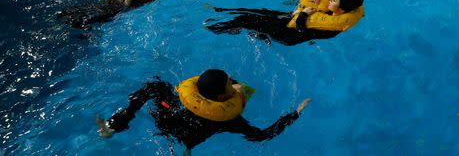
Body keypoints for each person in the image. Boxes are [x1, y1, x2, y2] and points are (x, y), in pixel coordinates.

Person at [96, 68, 310, 151]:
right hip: (187, 137)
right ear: (220, 97)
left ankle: (116, 124)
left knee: (155, 86)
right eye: (229, 84)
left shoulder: (184, 93)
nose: (233, 86)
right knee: (190, 139)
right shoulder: (228, 119)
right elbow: (262, 135)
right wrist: (296, 113)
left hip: (164, 113)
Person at [207, 0, 364, 46]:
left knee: (246, 20)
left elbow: (303, 31)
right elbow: (312, 6)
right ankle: (222, 12)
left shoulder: (332, 28)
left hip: (287, 34)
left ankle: (215, 28)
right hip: (289, 19)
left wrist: (302, 14)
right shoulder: (332, 10)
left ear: (342, 10)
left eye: (334, 0)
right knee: (257, 11)